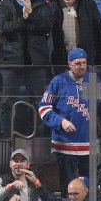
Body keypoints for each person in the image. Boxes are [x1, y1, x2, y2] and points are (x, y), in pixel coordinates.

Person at [0, 0, 55, 139]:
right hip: (11, 62)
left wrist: (31, 13)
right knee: (7, 102)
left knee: (40, 101)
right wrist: (24, 18)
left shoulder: (41, 5)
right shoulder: (5, 6)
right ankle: (7, 139)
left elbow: (46, 25)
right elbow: (3, 28)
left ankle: (41, 138)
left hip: (36, 62)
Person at [38, 48, 91, 191]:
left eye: (84, 63)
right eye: (77, 63)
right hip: (65, 143)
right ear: (69, 64)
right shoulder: (58, 81)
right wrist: (61, 121)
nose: (81, 66)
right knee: (68, 188)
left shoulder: (92, 80)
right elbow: (43, 108)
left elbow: (98, 106)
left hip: (88, 144)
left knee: (89, 187)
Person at [51, 0, 101, 69]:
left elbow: (100, 34)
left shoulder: (89, 5)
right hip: (60, 63)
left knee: (91, 79)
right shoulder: (52, 6)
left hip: (86, 62)